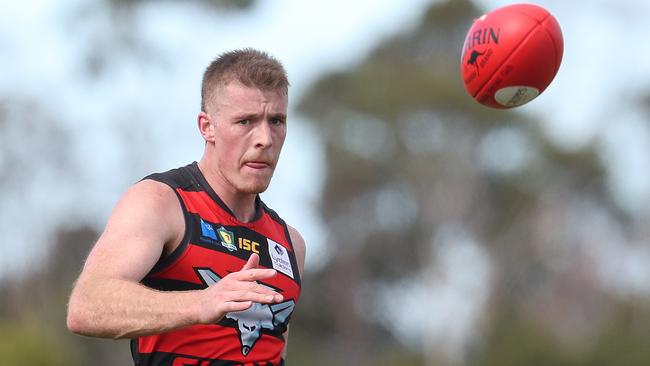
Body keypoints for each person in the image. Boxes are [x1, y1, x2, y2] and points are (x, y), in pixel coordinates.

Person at [67, 48, 306, 366]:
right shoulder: (163, 203)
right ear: (207, 127)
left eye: (276, 120)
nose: (264, 138)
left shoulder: (290, 244)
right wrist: (203, 302)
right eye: (245, 121)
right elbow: (87, 307)